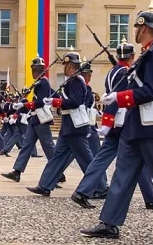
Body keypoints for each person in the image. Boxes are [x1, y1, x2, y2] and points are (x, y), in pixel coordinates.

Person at [80, 2, 153, 238]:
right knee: (122, 176)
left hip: (150, 129)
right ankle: (109, 223)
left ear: (143, 27)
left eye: (136, 27)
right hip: (134, 128)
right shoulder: (146, 55)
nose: (134, 32)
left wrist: (119, 96)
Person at [71, 38, 153, 209]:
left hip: (116, 121)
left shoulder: (113, 71)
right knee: (136, 157)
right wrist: (108, 119)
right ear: (132, 56)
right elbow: (117, 97)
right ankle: (151, 198)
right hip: (123, 121)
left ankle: (82, 191)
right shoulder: (125, 72)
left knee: (107, 158)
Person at [27, 51, 95, 197]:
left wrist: (56, 102)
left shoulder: (76, 81)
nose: (64, 67)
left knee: (86, 159)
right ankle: (45, 186)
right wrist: (54, 99)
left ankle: (100, 187)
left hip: (76, 128)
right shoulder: (71, 80)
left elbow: (75, 102)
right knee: (57, 157)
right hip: (68, 127)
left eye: (65, 65)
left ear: (70, 65)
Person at [1, 57, 57, 182]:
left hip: (41, 119)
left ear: (35, 70)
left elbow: (41, 102)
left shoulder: (43, 82)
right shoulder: (40, 82)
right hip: (34, 119)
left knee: (48, 147)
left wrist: (24, 104)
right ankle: (17, 171)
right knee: (26, 146)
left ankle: (57, 173)